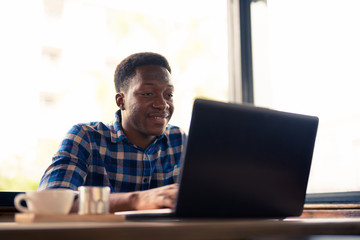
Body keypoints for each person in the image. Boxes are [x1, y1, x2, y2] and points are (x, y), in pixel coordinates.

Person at [38, 52, 187, 212]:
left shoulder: (179, 140)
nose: (162, 104)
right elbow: (50, 202)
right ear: (121, 101)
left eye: (169, 95)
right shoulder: (86, 137)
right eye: (148, 93)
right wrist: (136, 200)